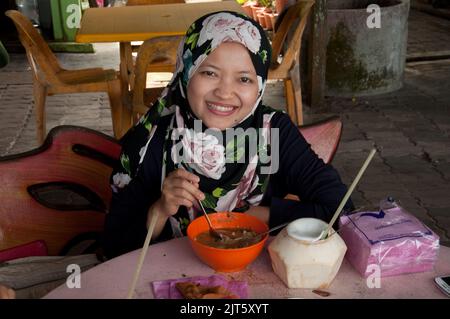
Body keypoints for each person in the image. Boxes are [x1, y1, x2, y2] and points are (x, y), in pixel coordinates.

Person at [101, 11, 353, 259]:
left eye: (244, 79)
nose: (224, 92)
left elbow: (341, 210)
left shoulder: (272, 134)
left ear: (260, 86)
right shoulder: (155, 139)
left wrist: (260, 215)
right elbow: (113, 247)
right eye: (209, 73)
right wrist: (160, 210)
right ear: (185, 71)